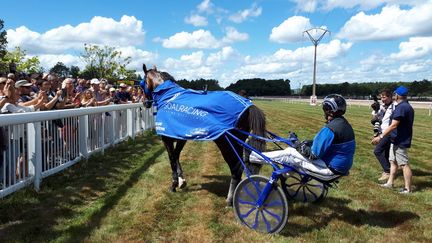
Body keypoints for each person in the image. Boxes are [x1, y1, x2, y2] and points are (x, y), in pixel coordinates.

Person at [250, 94, 356, 177]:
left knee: (289, 153)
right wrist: (305, 144)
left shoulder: (330, 128)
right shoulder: (344, 124)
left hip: (331, 168)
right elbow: (328, 145)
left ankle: (253, 156)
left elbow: (313, 155)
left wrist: (297, 144)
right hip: (342, 166)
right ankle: (285, 175)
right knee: (294, 154)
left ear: (328, 110)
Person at [372, 86, 414, 194]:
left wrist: (380, 137)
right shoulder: (404, 106)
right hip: (395, 139)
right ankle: (390, 183)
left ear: (397, 95)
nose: (394, 95)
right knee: (393, 162)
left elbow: (393, 125)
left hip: (401, 140)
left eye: (395, 94)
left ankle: (407, 189)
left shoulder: (402, 107)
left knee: (404, 164)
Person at [371, 89, 395, 182]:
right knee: (386, 152)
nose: (382, 99)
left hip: (389, 132)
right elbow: (376, 119)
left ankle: (387, 171)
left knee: (377, 151)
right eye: (381, 97)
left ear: (390, 97)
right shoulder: (381, 106)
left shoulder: (394, 106)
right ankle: (389, 170)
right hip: (382, 132)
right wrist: (376, 109)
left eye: (384, 97)